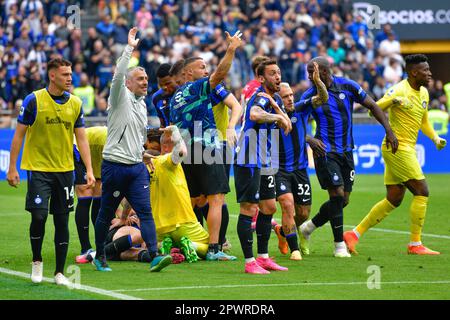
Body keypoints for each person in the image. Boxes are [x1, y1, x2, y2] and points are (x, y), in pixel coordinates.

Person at [344, 54, 447, 255]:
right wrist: (391, 100)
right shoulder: (399, 90)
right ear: (414, 72)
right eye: (425, 70)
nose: (430, 73)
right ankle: (415, 244)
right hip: (397, 147)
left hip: (405, 147)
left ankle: (353, 234)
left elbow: (423, 120)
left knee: (394, 198)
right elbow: (372, 111)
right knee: (422, 191)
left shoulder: (424, 92)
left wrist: (435, 138)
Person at [297, 56, 398, 258]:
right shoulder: (311, 95)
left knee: (343, 200)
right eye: (308, 73)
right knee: (336, 194)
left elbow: (373, 106)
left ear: (324, 71)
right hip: (325, 151)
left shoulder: (348, 86)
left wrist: (389, 130)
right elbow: (294, 122)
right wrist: (309, 139)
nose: (309, 76)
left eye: (312, 72)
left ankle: (308, 228)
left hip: (346, 151)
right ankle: (339, 246)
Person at [6, 58, 95, 285]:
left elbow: (82, 138)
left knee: (62, 221)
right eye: (65, 74)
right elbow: (18, 135)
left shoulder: (75, 103)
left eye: (70, 73)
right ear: (52, 75)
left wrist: (90, 169)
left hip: (65, 171)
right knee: (39, 215)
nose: (70, 78)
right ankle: (37, 262)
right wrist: (12, 167)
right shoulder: (34, 100)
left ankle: (59, 273)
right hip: (38, 169)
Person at [93, 27, 172, 272]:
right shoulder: (119, 97)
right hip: (114, 165)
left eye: (147, 79)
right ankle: (100, 256)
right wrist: (129, 48)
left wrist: (143, 154)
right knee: (106, 212)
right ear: (128, 83)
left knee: (145, 211)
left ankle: (155, 255)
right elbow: (118, 73)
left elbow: (136, 138)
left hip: (135, 167)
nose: (146, 82)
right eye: (140, 79)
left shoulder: (140, 105)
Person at [169, 30, 243, 261]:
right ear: (188, 73)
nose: (206, 70)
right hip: (206, 146)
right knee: (216, 198)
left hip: (186, 151)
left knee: (194, 200)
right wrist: (230, 50)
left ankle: (186, 244)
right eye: (202, 67)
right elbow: (220, 73)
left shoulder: (175, 97)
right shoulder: (196, 87)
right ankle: (213, 248)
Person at [234, 59, 292, 274]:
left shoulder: (272, 98)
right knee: (249, 209)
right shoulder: (259, 96)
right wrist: (277, 115)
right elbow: (254, 115)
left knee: (269, 207)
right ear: (261, 78)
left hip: (263, 160)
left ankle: (264, 257)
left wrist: (277, 108)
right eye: (272, 73)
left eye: (278, 72)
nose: (278, 77)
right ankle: (249, 262)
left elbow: (287, 124)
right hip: (248, 158)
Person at [264, 78, 328, 260]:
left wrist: (317, 81)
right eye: (285, 97)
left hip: (300, 169)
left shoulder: (301, 108)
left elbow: (323, 98)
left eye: (291, 95)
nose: (290, 99)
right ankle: (294, 250)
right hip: (279, 169)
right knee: (287, 205)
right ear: (278, 100)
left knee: (303, 213)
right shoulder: (272, 116)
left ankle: (282, 232)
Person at [146, 126, 210, 261]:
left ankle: (166, 246)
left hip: (159, 227)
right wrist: (176, 132)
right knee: (208, 245)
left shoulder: (148, 164)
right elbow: (180, 152)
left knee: (151, 245)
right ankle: (188, 245)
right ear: (166, 146)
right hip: (182, 223)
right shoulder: (167, 160)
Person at [73, 126, 107, 263]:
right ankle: (85, 247)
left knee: (99, 195)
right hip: (79, 148)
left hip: (97, 152)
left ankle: (101, 244)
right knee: (85, 193)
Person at [152, 63, 178, 128]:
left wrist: (198, 137)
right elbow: (163, 124)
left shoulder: (187, 92)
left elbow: (198, 117)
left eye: (168, 83)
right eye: (161, 85)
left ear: (176, 78)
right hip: (171, 137)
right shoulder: (156, 97)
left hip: (190, 136)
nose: (164, 87)